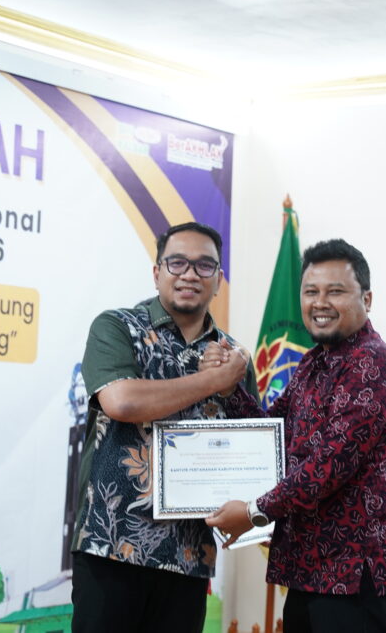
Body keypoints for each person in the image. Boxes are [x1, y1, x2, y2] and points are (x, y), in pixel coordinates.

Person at [206, 238, 386, 633]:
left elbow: (327, 467)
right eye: (310, 292)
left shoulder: (372, 364)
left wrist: (252, 512)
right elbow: (272, 435)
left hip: (355, 574)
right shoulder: (313, 363)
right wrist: (229, 385)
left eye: (335, 291)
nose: (320, 303)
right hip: (311, 570)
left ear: (367, 299)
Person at [72, 221, 258, 633]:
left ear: (218, 280)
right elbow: (122, 401)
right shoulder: (117, 327)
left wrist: (251, 515)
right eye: (177, 263)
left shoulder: (234, 360)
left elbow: (252, 446)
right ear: (157, 272)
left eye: (205, 265)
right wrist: (211, 382)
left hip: (189, 557)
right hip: (112, 547)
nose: (190, 274)